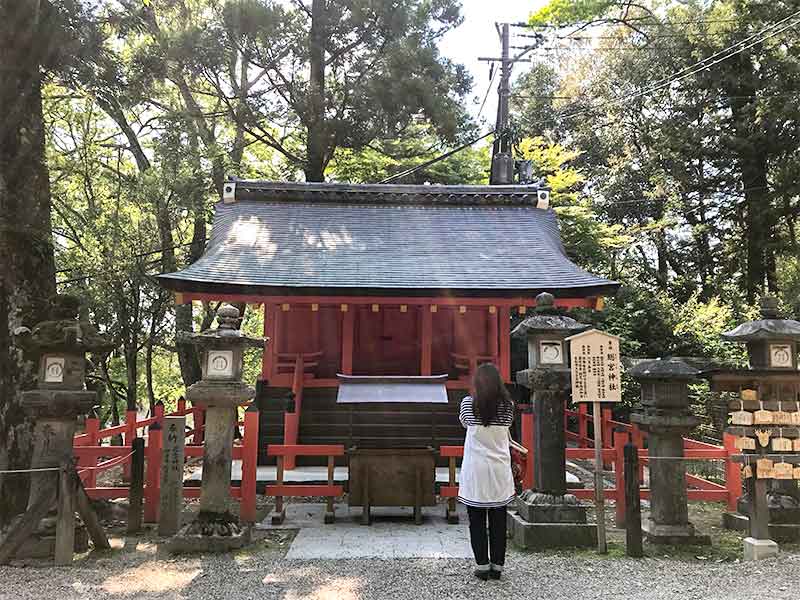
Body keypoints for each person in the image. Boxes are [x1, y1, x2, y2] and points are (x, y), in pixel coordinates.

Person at [458, 363, 515, 581]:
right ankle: (497, 566)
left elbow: (464, 424)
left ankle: (482, 565)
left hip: (476, 468)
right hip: (499, 467)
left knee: (477, 519)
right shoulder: (508, 406)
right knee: (499, 519)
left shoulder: (467, 404)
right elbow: (508, 425)